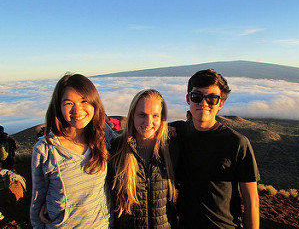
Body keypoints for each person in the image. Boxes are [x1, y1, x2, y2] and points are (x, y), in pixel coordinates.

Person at [170, 69, 260, 229]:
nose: (203, 104)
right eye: (197, 97)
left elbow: (251, 199)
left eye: (212, 98)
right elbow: (147, 126)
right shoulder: (179, 131)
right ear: (188, 99)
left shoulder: (237, 143)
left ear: (221, 103)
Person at [30, 74, 114, 228]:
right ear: (58, 106)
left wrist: (163, 130)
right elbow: (37, 201)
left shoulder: (103, 135)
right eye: (69, 103)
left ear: (94, 102)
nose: (77, 110)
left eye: (84, 101)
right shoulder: (45, 151)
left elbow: (127, 145)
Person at [108, 89, 178, 229]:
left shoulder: (171, 149)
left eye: (155, 116)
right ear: (132, 115)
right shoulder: (116, 150)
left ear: (162, 118)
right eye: (142, 115)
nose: (148, 122)